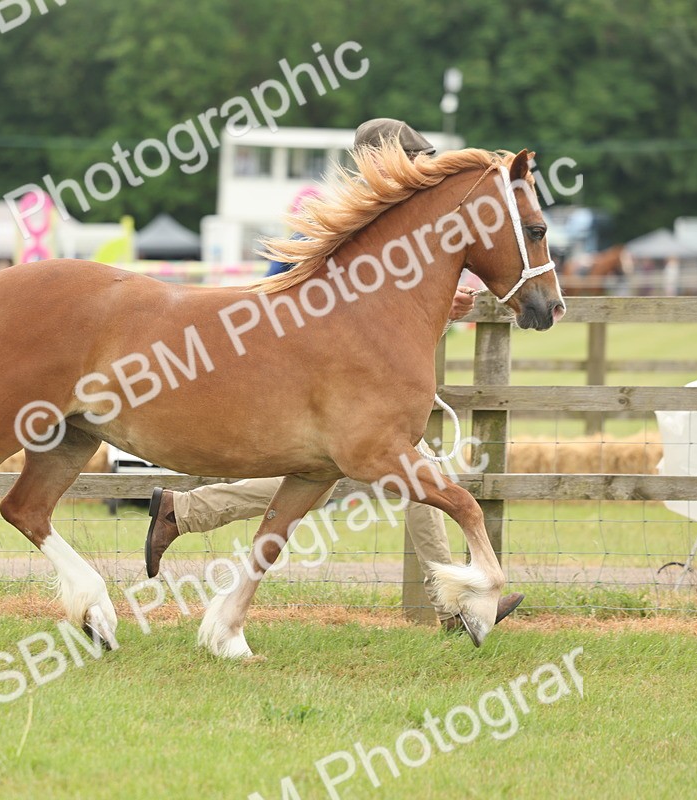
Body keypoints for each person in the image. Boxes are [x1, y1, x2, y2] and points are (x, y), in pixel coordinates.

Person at [145, 119, 524, 633]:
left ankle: (185, 514)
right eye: (415, 162)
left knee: (334, 480)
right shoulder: (337, 224)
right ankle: (454, 609)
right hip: (306, 384)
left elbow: (383, 328)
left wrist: (441, 308)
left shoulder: (400, 233)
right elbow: (277, 296)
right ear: (382, 163)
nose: (423, 174)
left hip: (349, 394)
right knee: (400, 476)